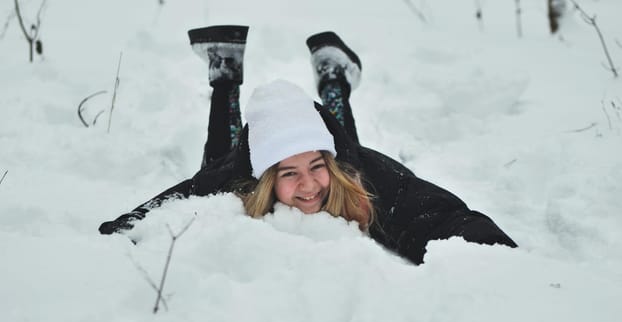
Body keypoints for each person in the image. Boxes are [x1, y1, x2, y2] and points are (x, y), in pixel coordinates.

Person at [99, 25, 517, 265]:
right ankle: (224, 72)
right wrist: (118, 236)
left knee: (348, 148)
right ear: (266, 178)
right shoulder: (236, 177)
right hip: (239, 165)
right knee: (218, 159)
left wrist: (490, 252)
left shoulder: (364, 175)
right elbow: (162, 212)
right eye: (288, 172)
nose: (309, 185)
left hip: (348, 157)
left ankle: (334, 75)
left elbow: (439, 216)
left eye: (316, 166)